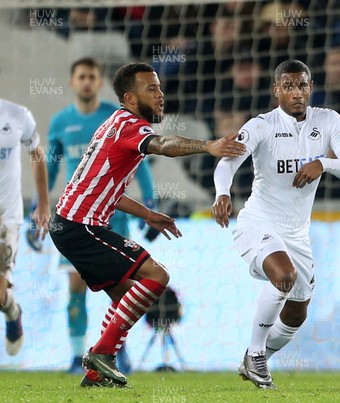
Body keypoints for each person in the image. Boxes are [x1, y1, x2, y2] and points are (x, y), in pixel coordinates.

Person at [49, 62, 245, 388]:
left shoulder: (114, 122)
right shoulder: (129, 125)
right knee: (157, 276)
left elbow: (104, 187)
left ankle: (98, 370)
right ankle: (100, 354)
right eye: (151, 89)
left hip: (70, 223)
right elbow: (164, 145)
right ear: (129, 97)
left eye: (160, 88)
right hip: (80, 225)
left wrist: (147, 214)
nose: (160, 95)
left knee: (127, 294)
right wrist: (207, 146)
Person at [212, 60, 340, 389]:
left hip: (297, 233)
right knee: (284, 276)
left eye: (302, 86)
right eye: (289, 86)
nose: (296, 93)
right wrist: (223, 193)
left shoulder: (328, 121)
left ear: (310, 88)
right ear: (276, 90)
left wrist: (322, 163)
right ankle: (255, 355)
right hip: (258, 222)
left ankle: (254, 360)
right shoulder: (260, 126)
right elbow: (227, 164)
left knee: (297, 313)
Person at [45, 57, 156, 374]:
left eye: (92, 76)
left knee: (120, 289)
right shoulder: (59, 122)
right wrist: (40, 208)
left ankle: (116, 352)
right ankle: (77, 356)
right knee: (75, 288)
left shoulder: (115, 115)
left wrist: (150, 200)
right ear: (72, 82)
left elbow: (142, 160)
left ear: (99, 81)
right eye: (81, 76)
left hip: (112, 214)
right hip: (77, 216)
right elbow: (53, 167)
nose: (87, 82)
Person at [0, 98, 51, 356]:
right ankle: (10, 309)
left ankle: (12, 312)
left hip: (6, 217)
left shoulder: (17, 115)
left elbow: (37, 154)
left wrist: (42, 203)